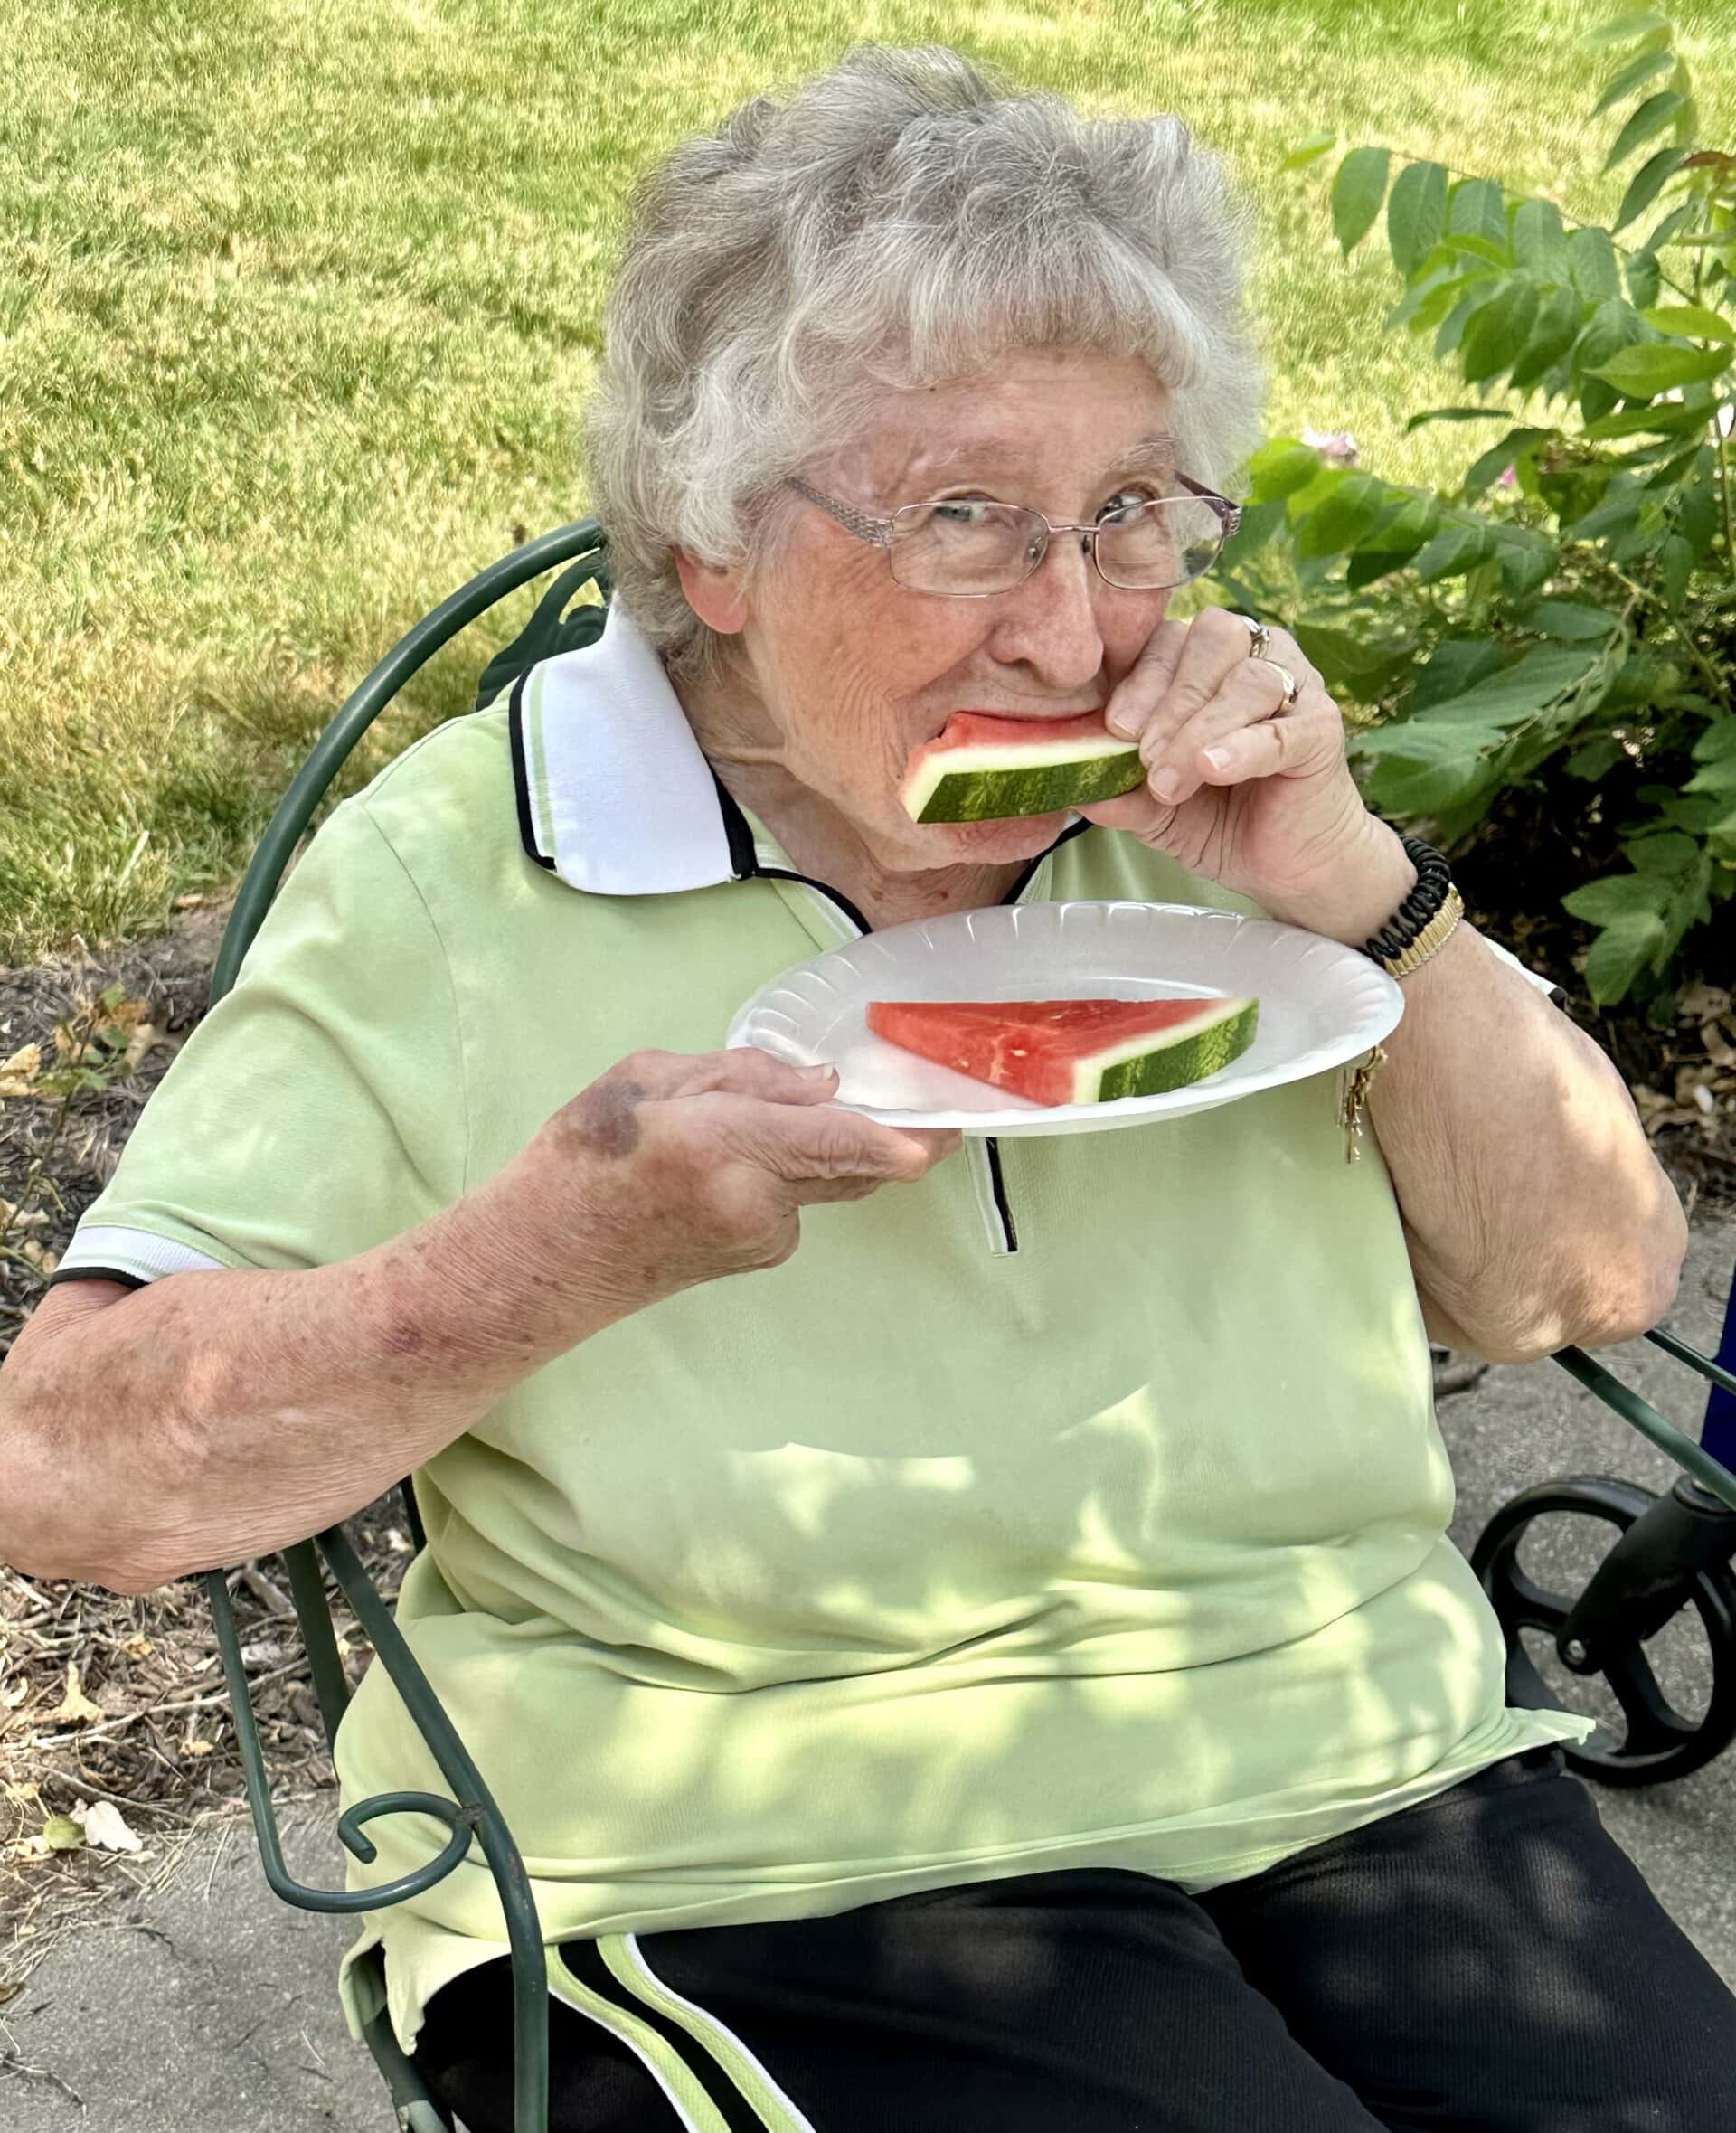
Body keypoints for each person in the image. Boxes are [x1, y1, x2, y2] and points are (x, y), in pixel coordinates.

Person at [2, 43, 1730, 2133]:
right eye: (966, 520)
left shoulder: (1226, 805)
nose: (1076, 625)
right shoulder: (460, 873)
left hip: (1356, 1760)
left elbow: (1595, 1282)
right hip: (751, 1850)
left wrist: (1363, 897)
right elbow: (68, 1475)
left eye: (1132, 513)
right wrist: (546, 1259)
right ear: (715, 543)